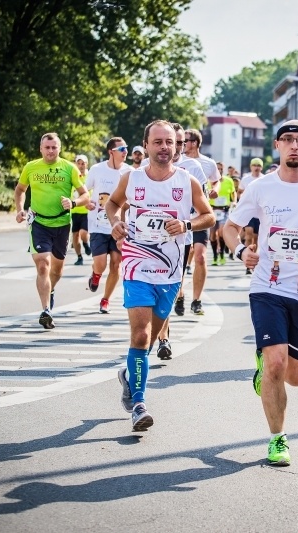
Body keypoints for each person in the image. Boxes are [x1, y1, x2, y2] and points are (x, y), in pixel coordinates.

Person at [222, 120, 298, 466]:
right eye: (287, 139)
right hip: (267, 287)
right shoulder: (260, 187)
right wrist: (240, 252)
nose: (294, 145)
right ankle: (277, 438)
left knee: (296, 376)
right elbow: (230, 228)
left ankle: (266, 368)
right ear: (276, 145)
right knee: (277, 363)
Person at [105, 120, 214, 430]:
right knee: (140, 335)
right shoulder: (132, 178)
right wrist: (115, 222)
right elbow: (113, 203)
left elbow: (208, 216)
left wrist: (187, 225)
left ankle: (129, 375)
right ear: (146, 145)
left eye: (170, 142)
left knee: (151, 338)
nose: (165, 147)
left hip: (170, 271)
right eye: (158, 142)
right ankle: (139, 404)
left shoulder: (187, 181)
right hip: (136, 265)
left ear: (176, 146)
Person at [14, 132, 89, 329]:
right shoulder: (31, 167)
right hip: (38, 223)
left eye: (54, 147)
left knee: (56, 270)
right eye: (47, 147)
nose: (50, 151)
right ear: (40, 149)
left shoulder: (69, 168)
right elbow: (20, 190)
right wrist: (20, 209)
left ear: (59, 148)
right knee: (42, 265)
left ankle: (51, 289)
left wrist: (73, 202)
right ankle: (46, 310)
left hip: (62, 224)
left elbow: (85, 195)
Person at [152, 123, 209, 359]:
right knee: (157, 288)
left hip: (181, 237)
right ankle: (162, 339)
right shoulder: (146, 169)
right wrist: (120, 226)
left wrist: (186, 223)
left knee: (169, 287)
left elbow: (205, 208)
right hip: (149, 240)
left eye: (179, 143)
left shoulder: (192, 169)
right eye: (170, 141)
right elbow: (122, 204)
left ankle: (164, 332)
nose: (174, 147)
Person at [85, 138, 130, 313]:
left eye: (126, 148)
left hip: (119, 225)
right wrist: (87, 202)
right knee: (101, 263)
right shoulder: (97, 169)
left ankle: (105, 299)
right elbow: (83, 190)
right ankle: (96, 275)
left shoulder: (130, 172)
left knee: (116, 264)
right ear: (111, 152)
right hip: (98, 224)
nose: (125, 152)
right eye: (122, 149)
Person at [183, 129, 221, 315]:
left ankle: (196, 300)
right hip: (182, 217)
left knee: (200, 256)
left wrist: (215, 191)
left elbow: (217, 181)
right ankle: (179, 294)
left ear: (196, 143)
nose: (183, 144)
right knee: (182, 258)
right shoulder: (178, 162)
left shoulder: (208, 163)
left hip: (200, 216)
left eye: (187, 141)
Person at [210, 169, 237, 265]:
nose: (219, 170)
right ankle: (215, 256)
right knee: (212, 235)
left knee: (221, 232)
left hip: (224, 210)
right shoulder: (209, 181)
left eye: (221, 169)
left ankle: (221, 254)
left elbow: (233, 192)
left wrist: (234, 201)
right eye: (217, 169)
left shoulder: (229, 180)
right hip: (213, 210)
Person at [71, 155, 92, 265]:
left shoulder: (90, 176)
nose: (81, 166)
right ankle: (79, 257)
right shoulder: (73, 176)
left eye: (83, 163)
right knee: (75, 236)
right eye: (78, 163)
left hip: (86, 211)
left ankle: (85, 243)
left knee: (83, 233)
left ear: (86, 164)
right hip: (74, 211)